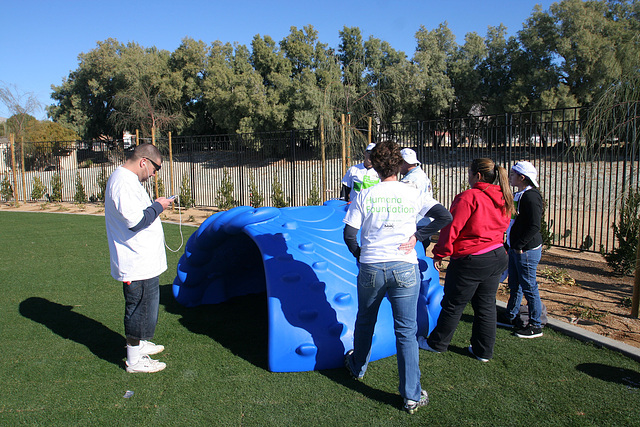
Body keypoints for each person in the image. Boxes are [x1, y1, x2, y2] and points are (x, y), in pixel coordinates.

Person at [342, 140, 452, 414]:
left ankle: (358, 367)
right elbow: (444, 216)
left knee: (365, 319)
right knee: (406, 330)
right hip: (404, 266)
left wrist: (360, 255)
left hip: (371, 266)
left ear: (376, 166)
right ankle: (411, 396)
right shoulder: (413, 192)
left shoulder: (365, 194)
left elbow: (348, 234)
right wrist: (419, 236)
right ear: (399, 165)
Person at [419, 158, 513, 362]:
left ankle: (437, 343)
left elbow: (452, 227)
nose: (468, 177)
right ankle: (483, 351)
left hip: (472, 259)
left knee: (453, 303)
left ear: (477, 175)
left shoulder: (469, 197)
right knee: (486, 305)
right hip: (496, 255)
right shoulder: (503, 196)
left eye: (469, 173)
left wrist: (440, 252)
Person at [105, 143, 174, 373]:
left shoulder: (130, 181)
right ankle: (134, 361)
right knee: (138, 307)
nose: (155, 174)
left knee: (148, 305)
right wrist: (159, 205)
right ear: (144, 161)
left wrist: (156, 206)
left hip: (145, 260)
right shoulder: (122, 182)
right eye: (156, 168)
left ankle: (141, 344)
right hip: (135, 261)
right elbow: (135, 222)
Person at [499, 161, 544, 338]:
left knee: (529, 285)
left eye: (513, 174)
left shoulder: (531, 196)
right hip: (515, 248)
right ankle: (510, 315)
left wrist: (518, 245)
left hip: (525, 250)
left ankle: (535, 324)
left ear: (522, 177)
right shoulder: (520, 195)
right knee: (515, 284)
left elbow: (534, 225)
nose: (510, 177)